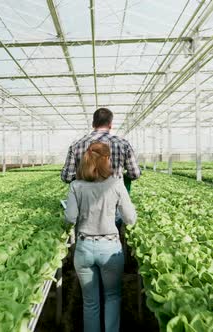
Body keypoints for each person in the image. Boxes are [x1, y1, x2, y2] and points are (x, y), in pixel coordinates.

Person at [65, 142, 137, 332]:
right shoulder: (116, 183)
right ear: (107, 159)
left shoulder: (76, 185)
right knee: (112, 297)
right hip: (109, 247)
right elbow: (130, 219)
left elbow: (70, 217)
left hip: (84, 248)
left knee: (90, 302)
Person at [60, 108, 141, 185]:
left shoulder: (76, 145)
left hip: (85, 197)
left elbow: (67, 177)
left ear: (93, 124)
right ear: (110, 125)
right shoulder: (123, 144)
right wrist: (120, 176)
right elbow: (135, 174)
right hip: (115, 195)